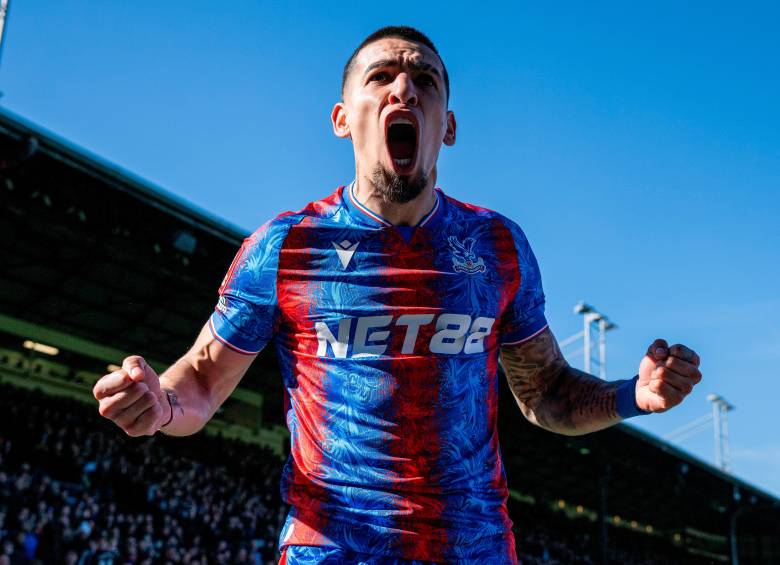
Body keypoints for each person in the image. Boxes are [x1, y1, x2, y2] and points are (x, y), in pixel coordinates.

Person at [93, 26, 703, 565]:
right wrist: (160, 404)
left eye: (425, 81)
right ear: (342, 118)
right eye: (381, 75)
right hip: (331, 547)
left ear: (450, 125)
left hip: (474, 546)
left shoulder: (497, 246)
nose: (403, 90)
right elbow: (200, 381)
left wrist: (631, 395)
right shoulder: (288, 246)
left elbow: (544, 393)